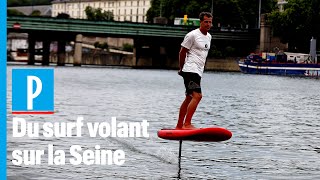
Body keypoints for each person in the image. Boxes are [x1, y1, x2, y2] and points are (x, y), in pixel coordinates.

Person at [176, 12, 213, 129]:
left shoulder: (209, 37)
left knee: (189, 97)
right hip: (190, 70)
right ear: (200, 22)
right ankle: (187, 124)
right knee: (198, 96)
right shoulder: (192, 35)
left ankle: (179, 125)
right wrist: (181, 69)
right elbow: (182, 52)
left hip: (198, 72)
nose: (208, 24)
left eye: (210, 22)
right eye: (206, 22)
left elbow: (202, 55)